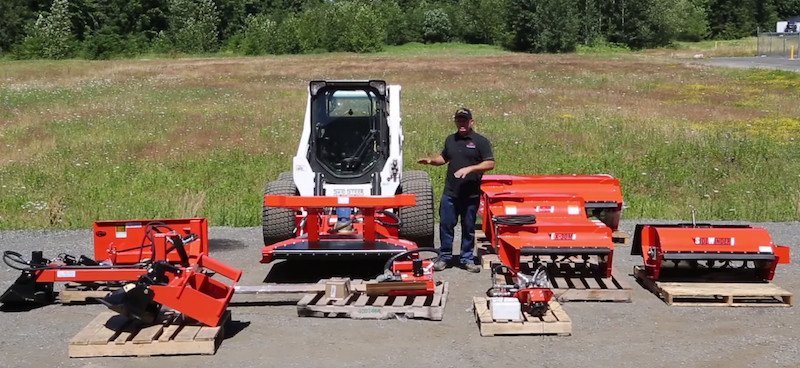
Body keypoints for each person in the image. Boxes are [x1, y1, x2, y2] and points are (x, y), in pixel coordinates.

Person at [418, 108, 495, 273]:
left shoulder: (480, 141)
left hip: (470, 194)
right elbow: (444, 158)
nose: (462, 123)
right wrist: (431, 161)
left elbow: (490, 163)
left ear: (471, 122)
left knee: (468, 227)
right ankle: (444, 256)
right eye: (459, 120)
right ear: (456, 122)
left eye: (465, 120)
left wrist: (470, 169)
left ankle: (466, 258)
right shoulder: (450, 140)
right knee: (446, 225)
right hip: (450, 193)